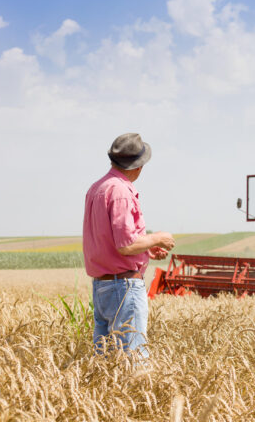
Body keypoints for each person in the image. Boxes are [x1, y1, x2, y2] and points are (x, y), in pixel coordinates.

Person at [83, 133, 176, 358]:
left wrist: (145, 248)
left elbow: (111, 240)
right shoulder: (121, 192)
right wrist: (158, 238)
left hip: (101, 288)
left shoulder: (97, 188)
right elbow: (125, 245)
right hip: (123, 288)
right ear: (139, 166)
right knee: (133, 361)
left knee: (105, 363)